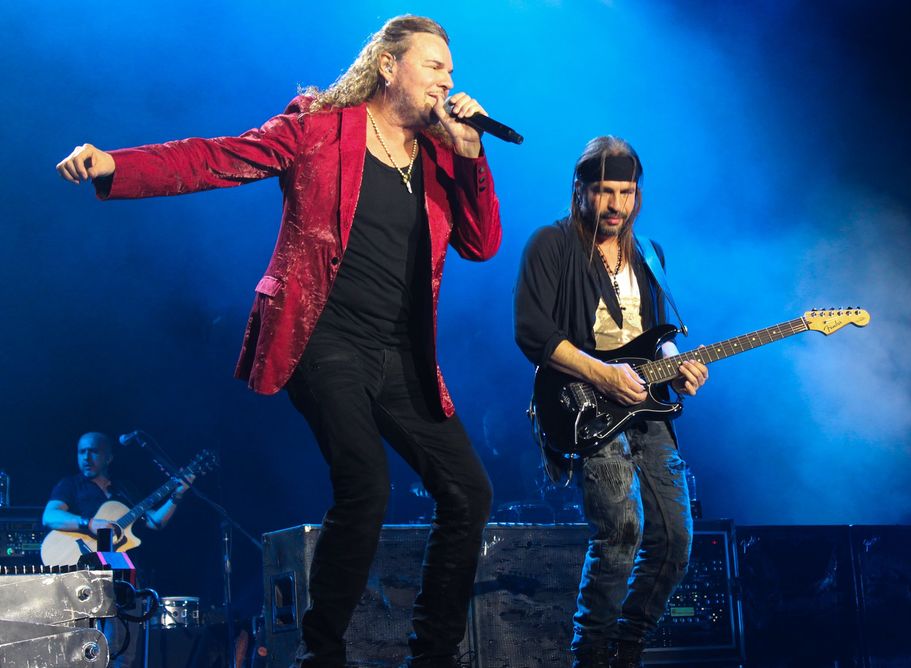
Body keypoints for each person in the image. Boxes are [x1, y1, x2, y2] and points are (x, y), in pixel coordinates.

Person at [55, 15, 501, 668]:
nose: (447, 82)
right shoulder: (319, 128)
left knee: (469, 493)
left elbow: (481, 243)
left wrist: (471, 155)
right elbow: (216, 158)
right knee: (366, 485)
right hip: (323, 338)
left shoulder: (438, 154)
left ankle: (431, 655)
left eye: (451, 72)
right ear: (388, 66)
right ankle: (320, 655)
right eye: (434, 66)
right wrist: (115, 165)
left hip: (402, 355)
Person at [513, 136, 709, 668]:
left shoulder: (650, 254)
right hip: (584, 405)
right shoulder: (550, 245)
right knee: (621, 532)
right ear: (579, 190)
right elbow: (532, 331)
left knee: (675, 541)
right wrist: (604, 374)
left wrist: (677, 363)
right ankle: (591, 656)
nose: (616, 204)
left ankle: (627, 650)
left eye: (626, 192)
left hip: (646, 406)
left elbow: (655, 332)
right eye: (604, 191)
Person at [42, 431, 190, 667]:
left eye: (93, 451)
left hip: (124, 576)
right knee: (100, 646)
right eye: (81, 452)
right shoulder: (70, 485)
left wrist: (177, 495)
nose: (86, 457)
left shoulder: (124, 490)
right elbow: (50, 516)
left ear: (109, 457)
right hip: (89, 576)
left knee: (125, 653)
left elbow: (155, 521)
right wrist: (89, 523)